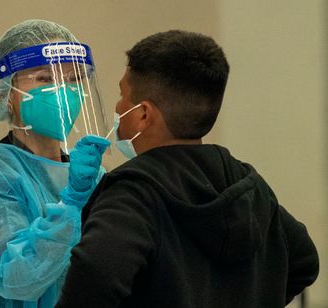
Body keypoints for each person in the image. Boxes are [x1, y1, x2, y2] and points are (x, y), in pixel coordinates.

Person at [55, 30, 319, 308]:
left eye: (123, 94)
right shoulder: (248, 184)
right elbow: (304, 262)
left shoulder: (133, 193)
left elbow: (94, 274)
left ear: (143, 114)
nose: (118, 107)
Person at [0, 19, 110, 308]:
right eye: (45, 79)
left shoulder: (92, 176)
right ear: (7, 94)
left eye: (73, 80)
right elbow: (16, 277)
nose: (64, 91)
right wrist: (71, 203)